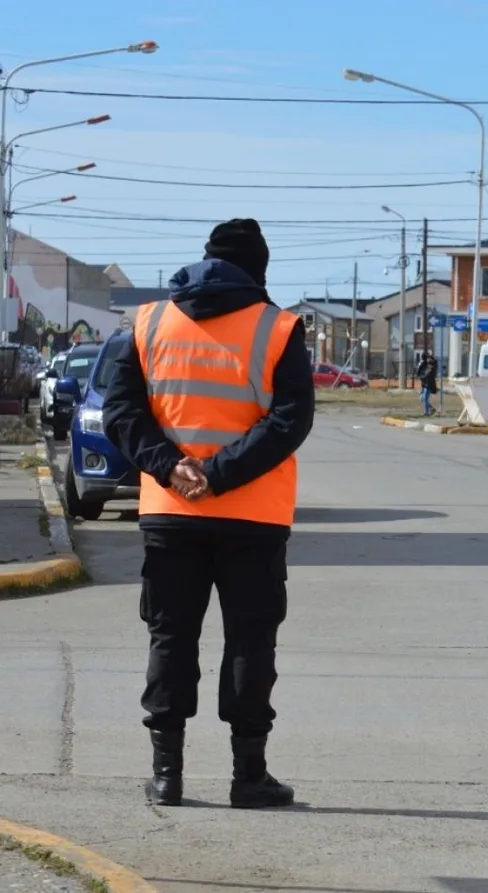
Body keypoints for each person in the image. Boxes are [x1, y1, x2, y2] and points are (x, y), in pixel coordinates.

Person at [103, 218, 314, 809]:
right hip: (254, 514)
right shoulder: (278, 327)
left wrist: (173, 467)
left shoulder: (147, 322)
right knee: (250, 641)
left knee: (171, 636)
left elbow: (123, 413)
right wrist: (218, 474)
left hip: (171, 511)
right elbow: (290, 419)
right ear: (259, 268)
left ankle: (167, 776)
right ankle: (249, 777)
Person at [416, 349, 438, 417]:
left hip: (428, 384)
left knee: (424, 399)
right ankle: (431, 409)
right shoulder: (426, 365)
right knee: (422, 398)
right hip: (425, 384)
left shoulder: (431, 366)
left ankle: (427, 413)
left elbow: (427, 375)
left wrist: (422, 377)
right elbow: (420, 373)